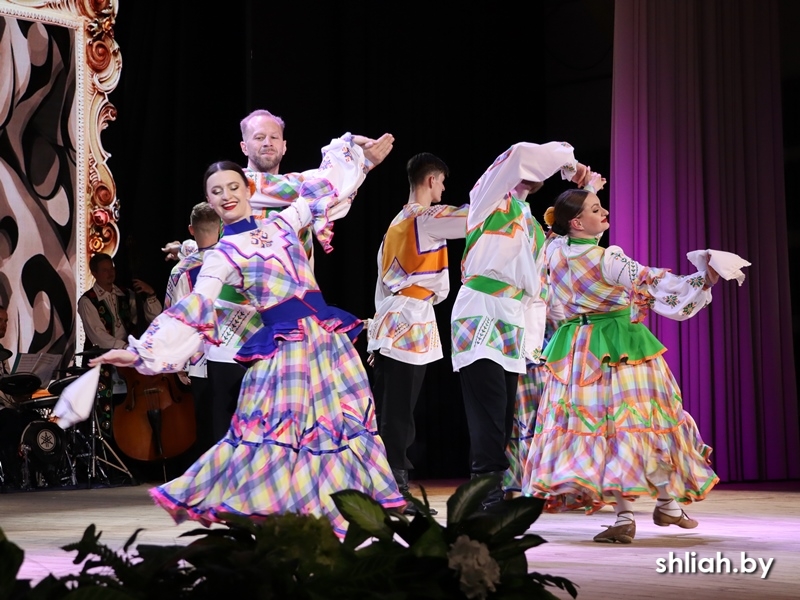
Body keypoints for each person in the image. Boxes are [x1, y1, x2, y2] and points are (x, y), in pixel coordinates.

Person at [90, 158, 404, 537]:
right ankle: (288, 526)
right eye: (216, 191)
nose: (226, 196)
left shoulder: (284, 223)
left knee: (340, 431)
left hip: (329, 344)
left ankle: (337, 521)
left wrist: (357, 156)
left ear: (249, 190)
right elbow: (195, 305)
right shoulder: (222, 254)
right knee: (282, 440)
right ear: (209, 200)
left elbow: (327, 188)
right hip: (286, 351)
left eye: (233, 187)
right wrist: (145, 353)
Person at [521, 185, 737, 544]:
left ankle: (653, 507)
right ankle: (641, 510)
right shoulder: (608, 259)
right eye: (595, 209)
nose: (604, 212)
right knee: (639, 424)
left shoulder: (552, 249)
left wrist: (584, 183)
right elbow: (657, 284)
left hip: (578, 350)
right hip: (620, 346)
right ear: (576, 222)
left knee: (615, 429)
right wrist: (704, 278)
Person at [449, 141, 589, 510]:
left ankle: (492, 491)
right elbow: (520, 154)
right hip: (480, 309)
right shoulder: (489, 198)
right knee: (488, 408)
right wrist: (568, 162)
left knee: (506, 411)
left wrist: (533, 344)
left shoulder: (533, 226)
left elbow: (540, 288)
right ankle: (486, 494)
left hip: (513, 317)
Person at [367, 153, 467, 513]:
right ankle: (392, 488)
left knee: (400, 409)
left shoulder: (400, 220)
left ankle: (393, 485)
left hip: (406, 319)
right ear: (430, 180)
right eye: (441, 182)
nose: (443, 188)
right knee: (396, 411)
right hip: (404, 320)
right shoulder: (423, 218)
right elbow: (473, 219)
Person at [163, 202, 222, 461]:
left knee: (207, 428)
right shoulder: (237, 258)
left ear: (190, 228)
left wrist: (176, 360)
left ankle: (210, 487)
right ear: (222, 227)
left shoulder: (181, 271)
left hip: (200, 362)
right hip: (237, 356)